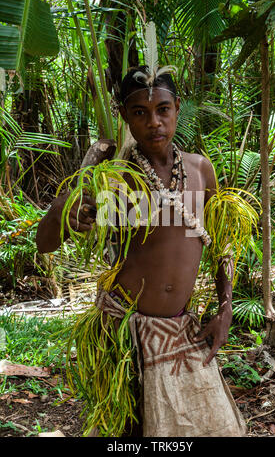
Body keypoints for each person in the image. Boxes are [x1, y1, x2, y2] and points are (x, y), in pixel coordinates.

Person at [36, 65, 246, 437]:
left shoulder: (200, 171)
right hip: (124, 331)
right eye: (140, 113)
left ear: (177, 108)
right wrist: (61, 211)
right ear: (125, 116)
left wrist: (225, 308)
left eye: (162, 110)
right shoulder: (113, 179)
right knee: (132, 432)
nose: (154, 123)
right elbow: (46, 244)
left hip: (181, 329)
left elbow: (222, 241)